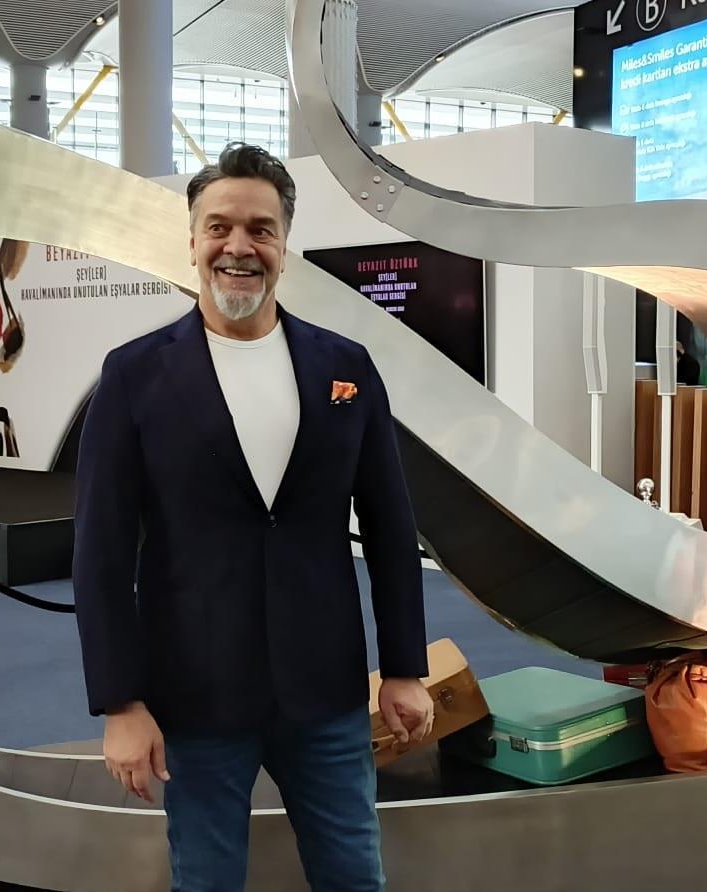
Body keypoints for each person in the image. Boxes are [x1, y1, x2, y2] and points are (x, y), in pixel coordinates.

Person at [71, 142, 434, 891]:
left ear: (284, 245)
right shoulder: (134, 374)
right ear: (193, 240)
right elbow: (100, 552)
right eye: (220, 227)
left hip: (326, 693)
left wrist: (404, 667)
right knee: (206, 882)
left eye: (260, 229)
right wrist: (121, 702)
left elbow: (391, 529)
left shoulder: (346, 367)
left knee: (354, 878)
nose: (239, 246)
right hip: (195, 696)